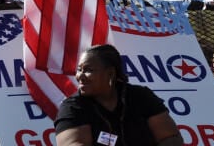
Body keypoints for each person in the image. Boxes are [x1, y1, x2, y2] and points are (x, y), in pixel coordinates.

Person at [54, 43, 182, 146]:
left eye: (89, 70)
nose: (80, 76)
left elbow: (171, 138)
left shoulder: (140, 96)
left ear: (110, 73)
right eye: (79, 69)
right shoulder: (73, 107)